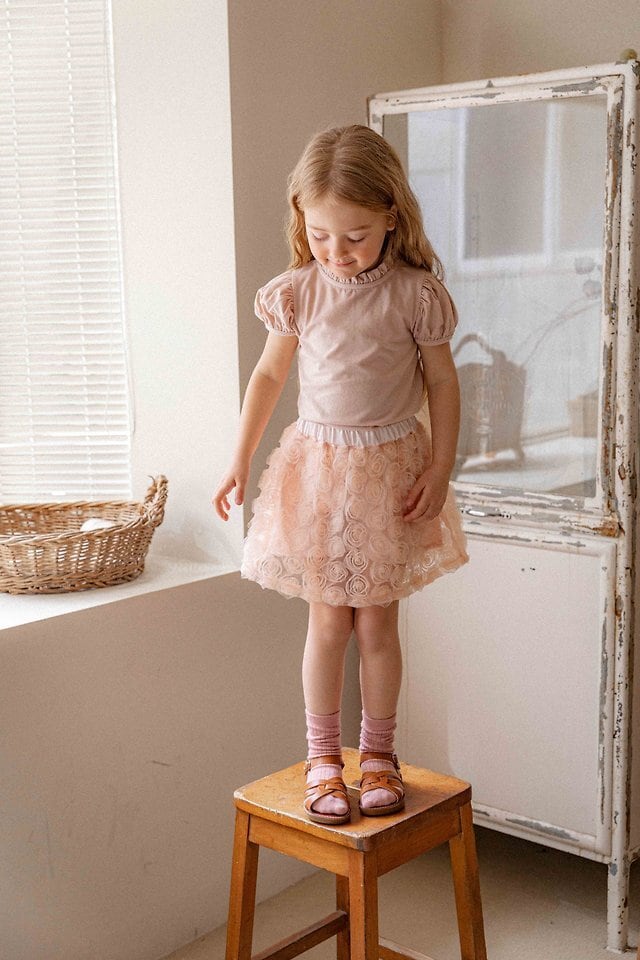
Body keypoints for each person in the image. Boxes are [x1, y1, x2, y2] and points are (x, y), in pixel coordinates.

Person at [213, 124, 468, 825]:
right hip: (320, 474)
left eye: (354, 235)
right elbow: (269, 376)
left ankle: (378, 755)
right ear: (301, 220)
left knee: (377, 623)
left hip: (390, 475)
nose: (336, 251)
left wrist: (441, 466)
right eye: (320, 234)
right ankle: (323, 758)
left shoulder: (416, 295)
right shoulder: (297, 292)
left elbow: (443, 383)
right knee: (328, 621)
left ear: (391, 215)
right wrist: (239, 458)